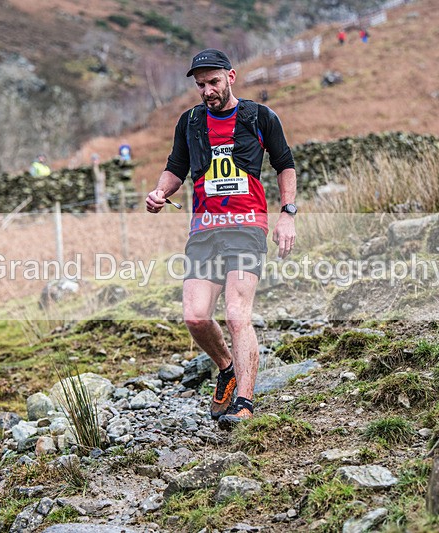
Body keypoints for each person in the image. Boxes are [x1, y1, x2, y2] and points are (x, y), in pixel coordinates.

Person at [145, 48, 297, 429]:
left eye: (213, 82)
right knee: (195, 317)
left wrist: (287, 215)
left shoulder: (259, 116)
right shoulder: (191, 122)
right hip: (204, 231)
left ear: (231, 77)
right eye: (201, 85)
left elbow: (285, 165)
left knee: (235, 313)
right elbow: (175, 169)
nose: (208, 91)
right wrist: (160, 193)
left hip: (247, 227)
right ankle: (227, 368)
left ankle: (244, 402)